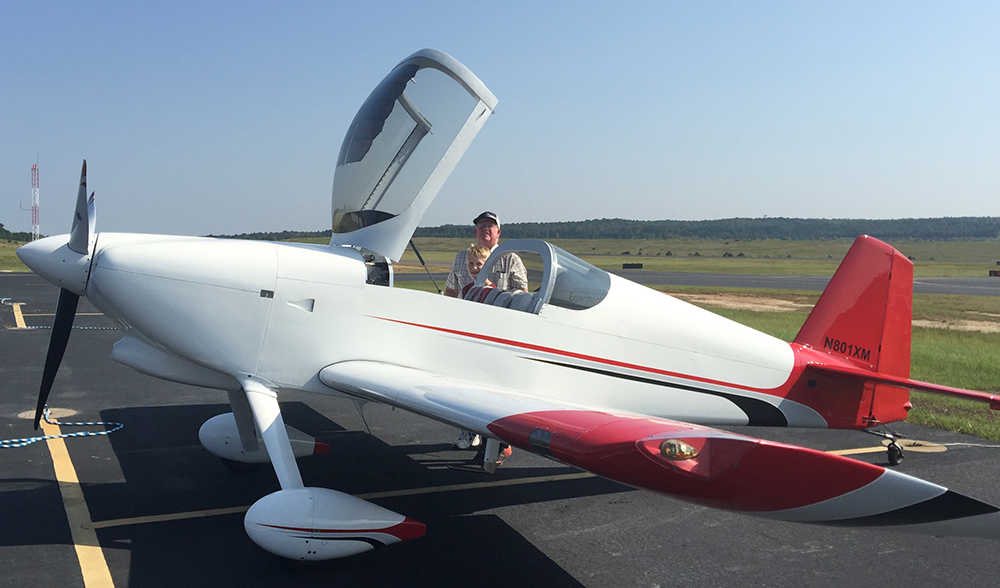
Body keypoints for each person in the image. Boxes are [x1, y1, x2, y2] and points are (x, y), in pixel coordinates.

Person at [443, 211, 528, 297]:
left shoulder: (510, 259)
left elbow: (522, 295)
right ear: (476, 231)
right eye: (482, 226)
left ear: (498, 232)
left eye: (490, 226)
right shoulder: (461, 257)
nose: (485, 229)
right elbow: (451, 291)